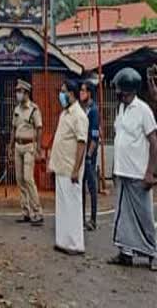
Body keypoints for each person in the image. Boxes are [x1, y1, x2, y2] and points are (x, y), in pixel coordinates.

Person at [108, 68, 157, 270]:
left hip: (138, 173)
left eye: (120, 91)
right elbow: (119, 139)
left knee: (144, 216)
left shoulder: (143, 110)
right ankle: (125, 253)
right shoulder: (121, 109)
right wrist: (113, 168)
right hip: (122, 172)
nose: (118, 94)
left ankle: (154, 252)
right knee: (122, 216)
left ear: (129, 90)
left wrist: (150, 172)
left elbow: (154, 141)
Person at [48, 79, 88, 256]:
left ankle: (75, 244)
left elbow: (81, 143)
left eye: (63, 91)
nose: (61, 95)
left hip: (71, 168)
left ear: (72, 94)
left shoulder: (79, 116)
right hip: (61, 166)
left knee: (72, 206)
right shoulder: (65, 114)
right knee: (63, 206)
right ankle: (63, 240)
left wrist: (76, 169)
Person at [10, 79, 44, 226]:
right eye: (17, 91)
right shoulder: (17, 109)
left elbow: (39, 129)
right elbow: (13, 128)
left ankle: (38, 211)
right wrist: (10, 147)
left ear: (26, 93)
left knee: (28, 178)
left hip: (29, 146)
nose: (18, 94)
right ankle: (26, 211)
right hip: (18, 145)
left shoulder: (34, 110)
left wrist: (38, 148)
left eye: (20, 91)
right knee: (19, 179)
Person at [79, 80, 100, 232]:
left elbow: (95, 136)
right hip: (81, 153)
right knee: (80, 188)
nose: (81, 93)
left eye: (83, 90)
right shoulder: (81, 109)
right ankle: (80, 218)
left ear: (89, 93)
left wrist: (88, 156)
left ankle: (93, 219)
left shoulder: (93, 111)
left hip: (89, 156)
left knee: (92, 187)